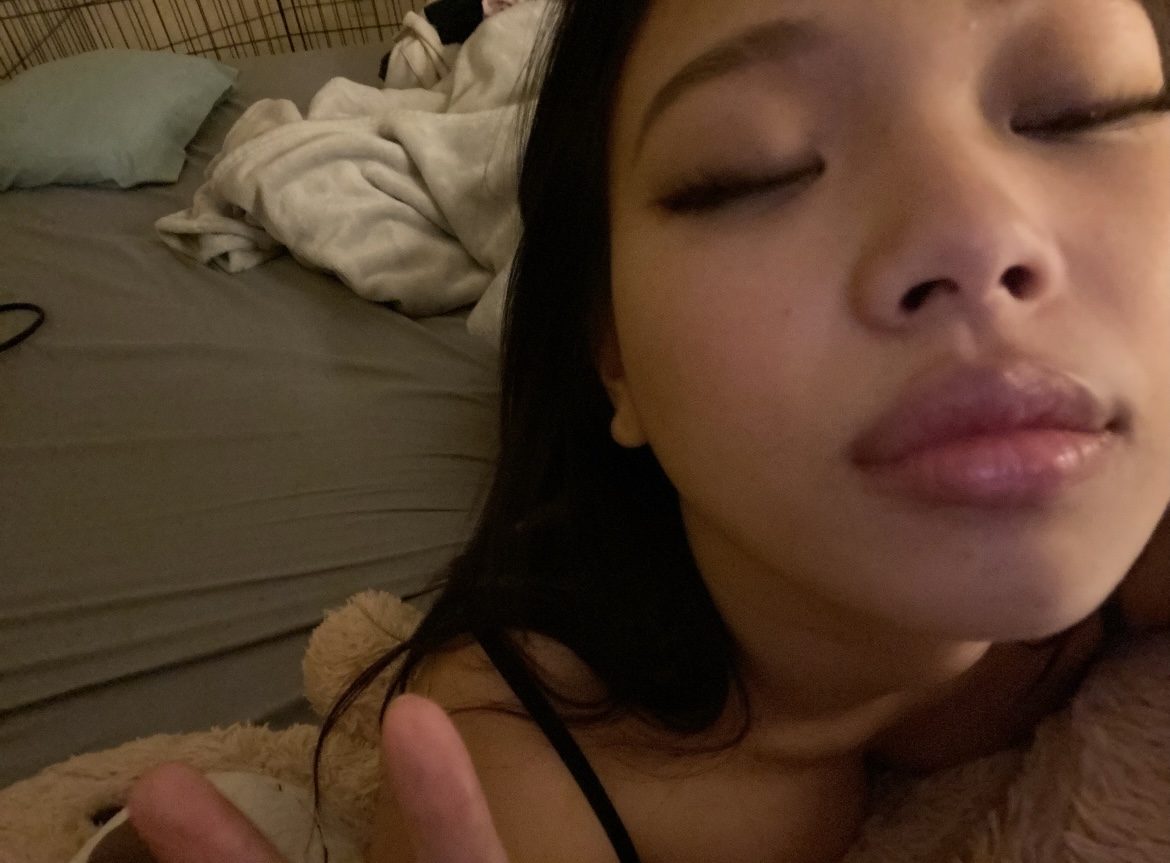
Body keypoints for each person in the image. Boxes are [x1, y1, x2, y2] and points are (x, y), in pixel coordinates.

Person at [127, 0, 1170, 860]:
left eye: (1083, 109)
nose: (977, 231)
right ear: (613, 352)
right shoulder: (533, 763)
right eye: (753, 169)